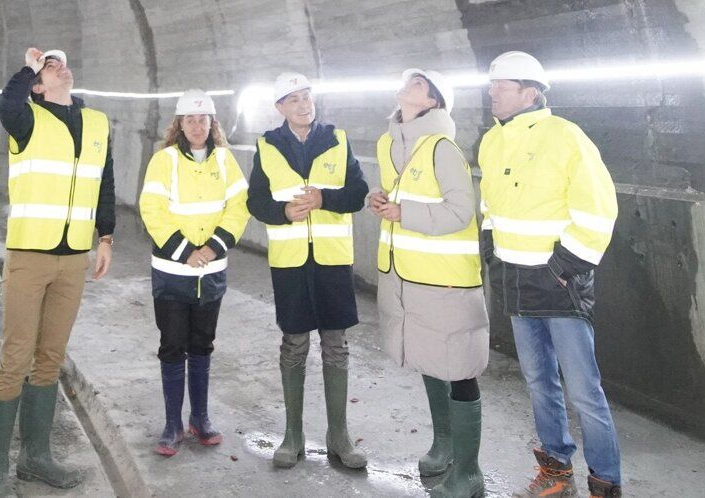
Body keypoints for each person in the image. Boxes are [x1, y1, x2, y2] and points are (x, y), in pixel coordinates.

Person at [478, 51, 622, 498]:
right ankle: (556, 470)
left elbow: (598, 208)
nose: (491, 95)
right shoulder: (492, 140)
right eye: (491, 87)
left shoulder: (566, 136)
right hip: (516, 282)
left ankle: (606, 482)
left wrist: (565, 268)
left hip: (558, 284)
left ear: (529, 92)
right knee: (540, 383)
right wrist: (491, 248)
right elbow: (490, 205)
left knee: (584, 391)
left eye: (499, 87)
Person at [0, 47, 115, 497]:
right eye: (50, 67)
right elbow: (6, 102)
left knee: (51, 357)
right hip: (30, 254)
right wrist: (31, 67)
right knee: (16, 356)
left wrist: (106, 237)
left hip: (74, 255)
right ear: (38, 85)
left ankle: (35, 458)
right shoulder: (25, 120)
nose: (60, 67)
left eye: (60, 62)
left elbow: (105, 180)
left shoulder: (96, 122)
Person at [369, 68, 488, 498]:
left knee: (458, 368)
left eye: (418, 84)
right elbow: (396, 192)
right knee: (428, 359)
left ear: (433, 102)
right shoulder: (389, 143)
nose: (408, 85)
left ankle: (469, 472)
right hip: (407, 276)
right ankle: (444, 444)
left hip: (446, 282)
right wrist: (378, 200)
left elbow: (461, 211)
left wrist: (404, 215)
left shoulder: (443, 148)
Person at [245, 70, 369, 470]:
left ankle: (339, 436)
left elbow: (357, 193)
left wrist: (324, 198)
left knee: (336, 343)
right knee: (295, 344)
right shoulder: (267, 146)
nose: (304, 104)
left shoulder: (337, 139)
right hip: (291, 262)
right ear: (280, 107)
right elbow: (256, 202)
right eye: (294, 99)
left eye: (307, 96)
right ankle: (292, 435)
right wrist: (283, 212)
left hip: (332, 259)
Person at [138, 89, 249, 456]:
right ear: (179, 124)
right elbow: (152, 208)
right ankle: (172, 424)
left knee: (202, 345)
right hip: (172, 273)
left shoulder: (225, 162)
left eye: (204, 120)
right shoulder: (164, 160)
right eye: (190, 120)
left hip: (211, 273)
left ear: (212, 123)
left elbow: (238, 207)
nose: (198, 126)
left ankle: (199, 418)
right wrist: (186, 251)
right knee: (172, 346)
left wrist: (211, 247)